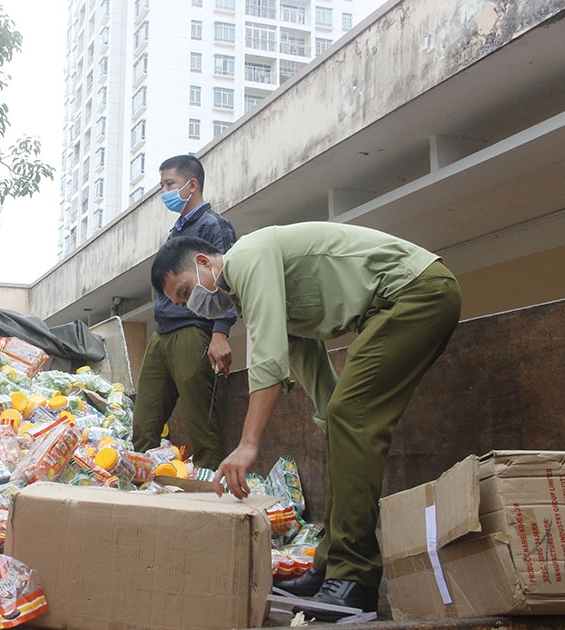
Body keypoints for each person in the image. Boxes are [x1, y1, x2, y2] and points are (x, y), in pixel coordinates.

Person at [151, 222, 462, 620]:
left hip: (417, 293)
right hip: (394, 306)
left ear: (202, 262)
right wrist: (331, 421)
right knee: (342, 421)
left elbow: (269, 355)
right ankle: (330, 567)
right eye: (179, 302)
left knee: (350, 417)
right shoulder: (254, 292)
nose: (187, 303)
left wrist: (249, 444)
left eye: (183, 291)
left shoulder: (247, 258)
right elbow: (307, 359)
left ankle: (353, 578)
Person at [132, 155, 238, 471]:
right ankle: (141, 489)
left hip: (194, 331)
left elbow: (227, 281)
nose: (164, 192)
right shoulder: (176, 231)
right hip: (161, 333)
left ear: (192, 185)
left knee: (201, 425)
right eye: (162, 185)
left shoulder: (213, 225)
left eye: (170, 184)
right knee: (143, 423)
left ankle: (209, 496)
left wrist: (220, 334)